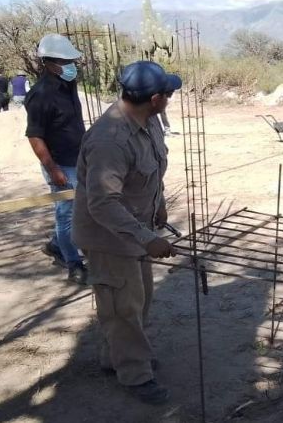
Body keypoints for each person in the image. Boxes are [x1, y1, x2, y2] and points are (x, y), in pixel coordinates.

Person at [72, 60, 180, 405]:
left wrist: (159, 204)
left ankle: (115, 358)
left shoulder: (149, 122)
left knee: (139, 298)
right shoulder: (110, 139)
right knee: (123, 308)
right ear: (155, 98)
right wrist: (148, 239)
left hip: (135, 229)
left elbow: (153, 171)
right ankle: (135, 374)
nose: (170, 98)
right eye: (168, 94)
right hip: (108, 237)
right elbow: (103, 204)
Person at [25, 33, 87, 283]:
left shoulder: (68, 85)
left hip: (78, 159)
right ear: (49, 63)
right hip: (60, 164)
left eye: (72, 61)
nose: (71, 66)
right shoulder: (41, 94)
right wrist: (53, 169)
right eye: (65, 62)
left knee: (79, 209)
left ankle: (56, 244)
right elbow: (35, 136)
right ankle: (73, 263)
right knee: (66, 214)